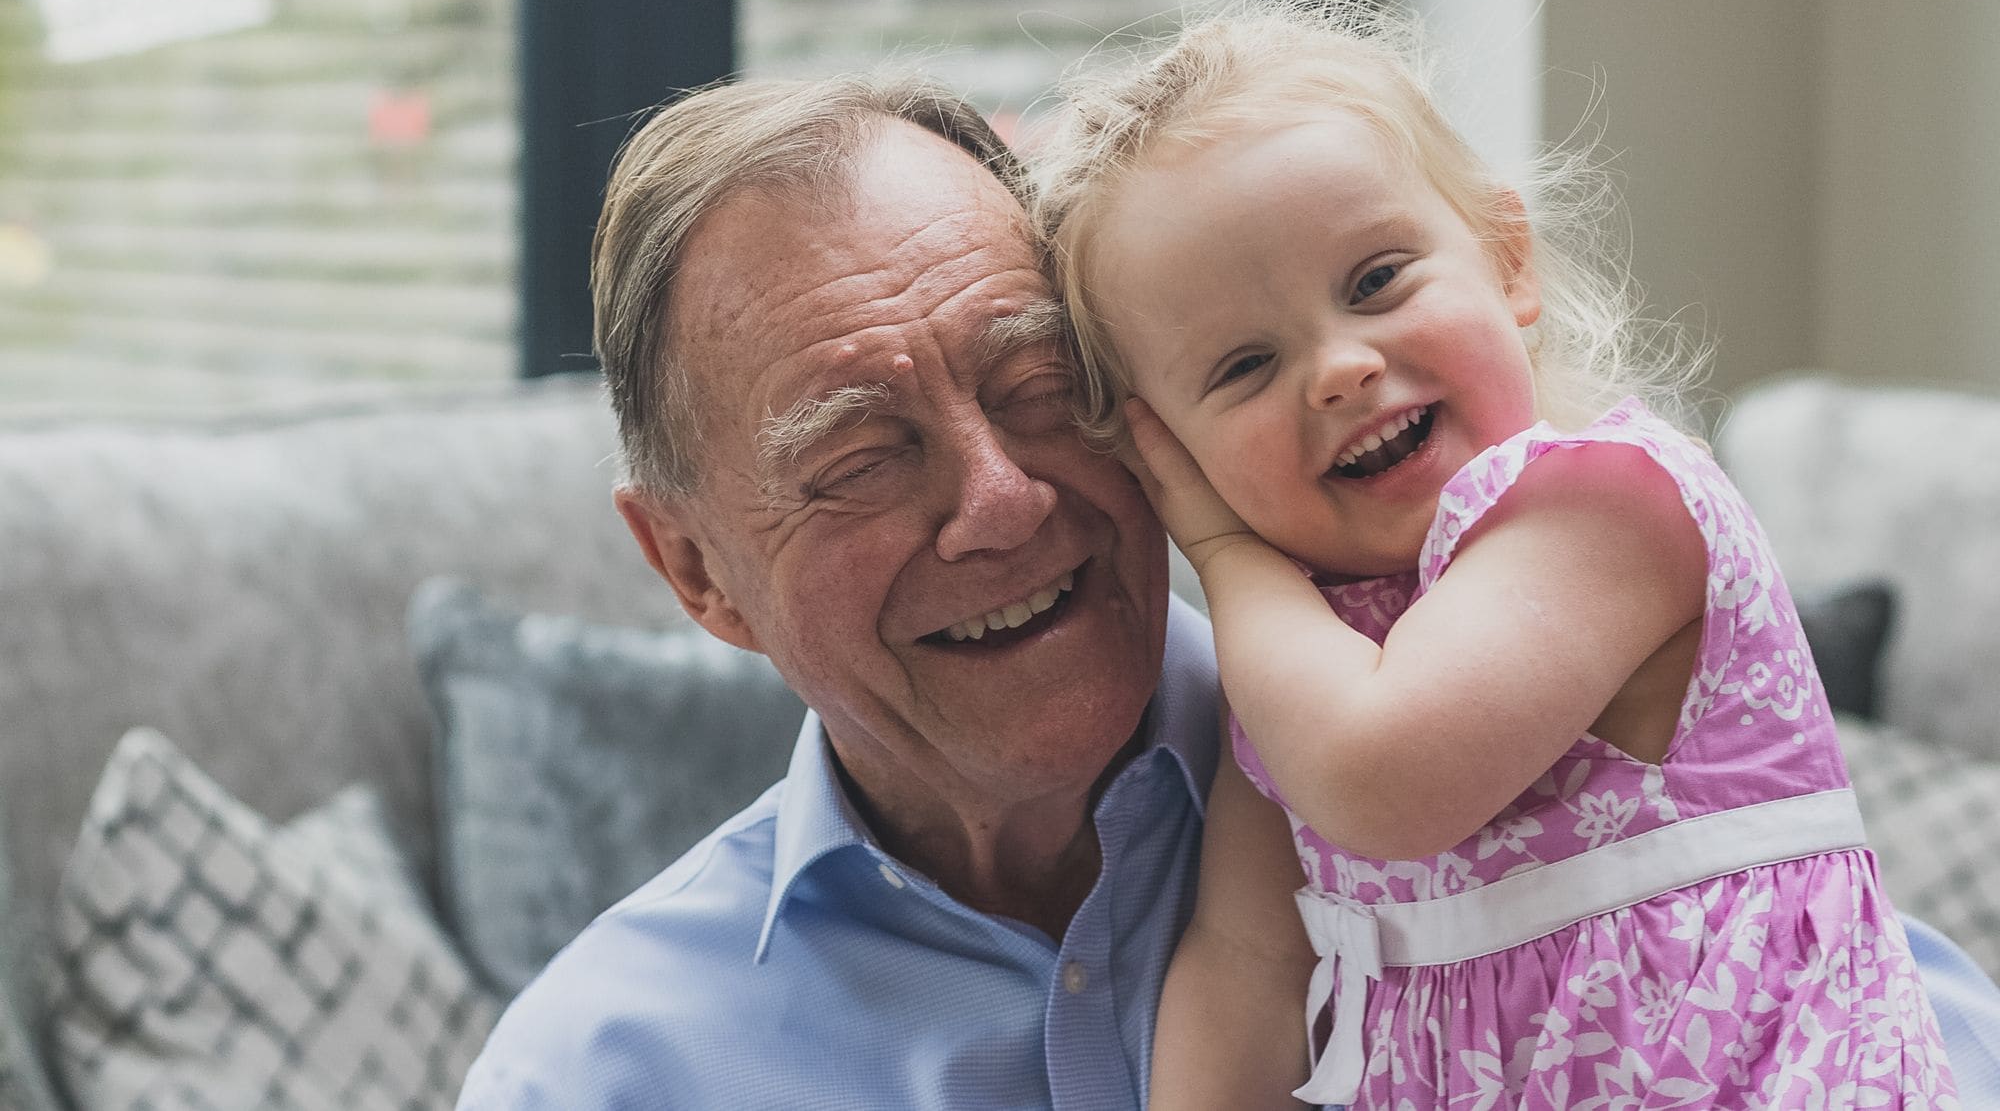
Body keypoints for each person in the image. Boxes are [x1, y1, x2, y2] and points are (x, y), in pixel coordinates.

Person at [456, 63, 2000, 1111]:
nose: (999, 503)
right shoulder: (604, 1070)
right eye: (860, 455)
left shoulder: (1533, 724)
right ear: (694, 570)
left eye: (1042, 383)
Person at [1036, 0, 1961, 1109]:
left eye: (1374, 281)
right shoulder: (1301, 671)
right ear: (1167, 448)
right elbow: (1248, 971)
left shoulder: (1606, 508)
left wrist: (1223, 552)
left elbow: (1378, 776)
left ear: (1505, 263)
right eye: (1241, 367)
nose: (1337, 367)